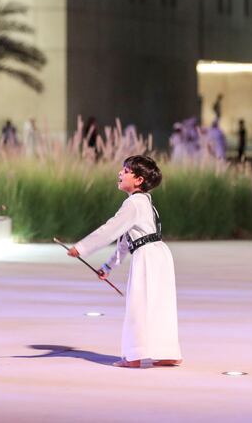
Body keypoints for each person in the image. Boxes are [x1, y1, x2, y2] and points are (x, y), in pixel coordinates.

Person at [67, 155, 182, 368]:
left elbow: (111, 229)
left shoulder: (133, 203)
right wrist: (108, 266)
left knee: (137, 304)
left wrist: (81, 248)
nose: (120, 173)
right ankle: (168, 352)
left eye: (126, 170)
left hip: (147, 256)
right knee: (160, 304)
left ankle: (134, 356)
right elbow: (126, 240)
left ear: (138, 180)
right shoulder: (146, 202)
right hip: (160, 254)